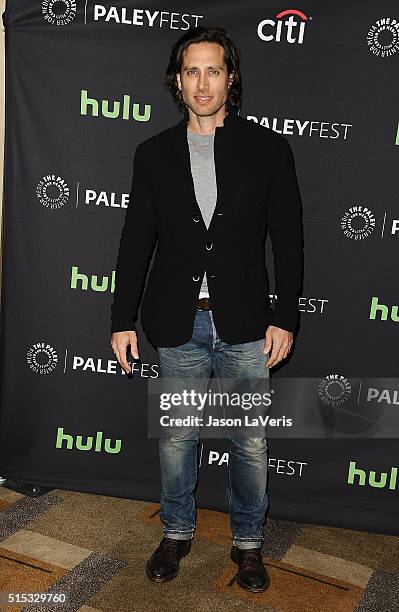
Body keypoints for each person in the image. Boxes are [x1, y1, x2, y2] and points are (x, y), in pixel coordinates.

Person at [111, 25, 303, 593]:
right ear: (177, 79)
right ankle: (175, 531)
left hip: (245, 322)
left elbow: (288, 240)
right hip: (178, 320)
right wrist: (121, 317)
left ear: (231, 77)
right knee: (177, 436)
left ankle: (248, 546)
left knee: (248, 438)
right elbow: (134, 241)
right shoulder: (152, 154)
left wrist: (286, 316)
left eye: (213, 70)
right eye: (191, 70)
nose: (202, 83)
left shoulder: (269, 149)